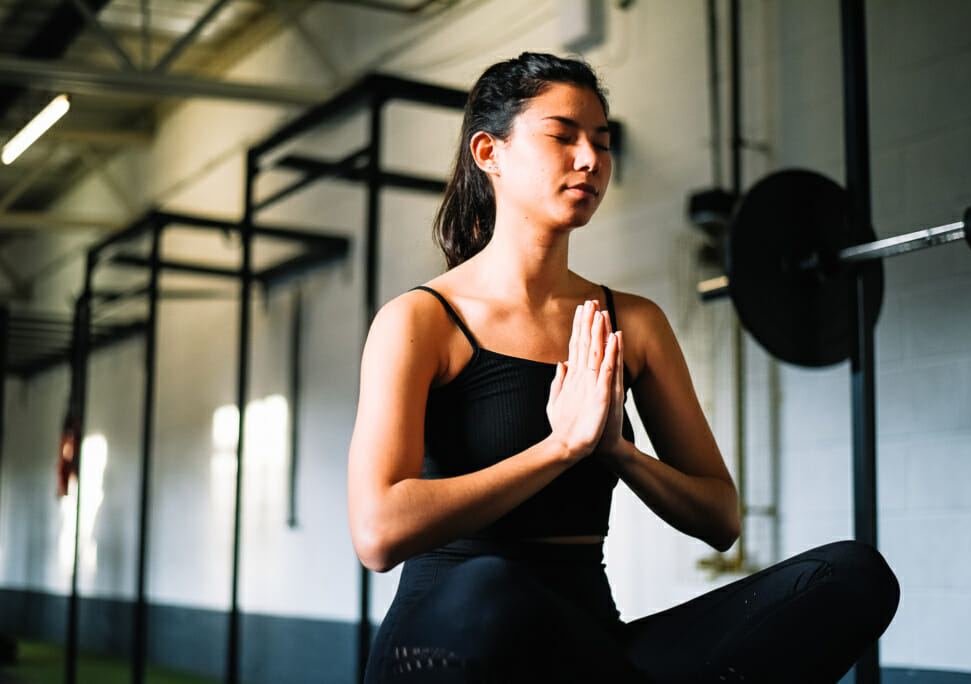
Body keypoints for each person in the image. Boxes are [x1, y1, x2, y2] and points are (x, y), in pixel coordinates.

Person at [348, 52, 898, 683]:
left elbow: (720, 519)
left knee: (851, 577)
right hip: (448, 642)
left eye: (602, 144)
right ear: (488, 153)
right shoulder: (420, 319)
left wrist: (615, 450)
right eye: (563, 136)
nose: (590, 160)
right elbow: (378, 533)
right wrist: (558, 450)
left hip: (589, 646)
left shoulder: (632, 323)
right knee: (491, 587)